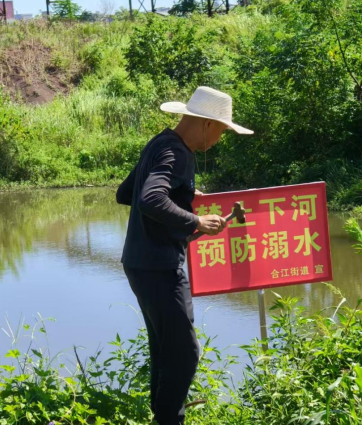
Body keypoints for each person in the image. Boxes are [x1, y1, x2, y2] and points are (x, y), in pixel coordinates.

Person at [116, 86, 253, 425]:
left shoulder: (160, 143)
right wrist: (196, 220)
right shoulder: (176, 153)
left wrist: (185, 193)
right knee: (185, 354)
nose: (219, 139)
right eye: (221, 130)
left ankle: (164, 418)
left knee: (166, 351)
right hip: (159, 266)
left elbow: (125, 193)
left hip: (140, 263)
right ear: (207, 123)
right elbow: (148, 199)